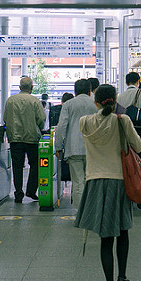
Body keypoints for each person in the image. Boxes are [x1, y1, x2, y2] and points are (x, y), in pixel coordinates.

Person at [75, 84, 141, 281]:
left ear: (96, 102)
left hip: (95, 182)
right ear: (115, 100)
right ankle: (123, 278)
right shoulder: (122, 121)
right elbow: (139, 147)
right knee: (122, 232)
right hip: (119, 182)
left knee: (106, 238)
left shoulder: (84, 122)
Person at [3, 76, 46, 203]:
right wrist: (39, 128)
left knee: (17, 166)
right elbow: (41, 119)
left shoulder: (10, 101)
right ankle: (31, 190)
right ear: (31, 88)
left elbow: (5, 118)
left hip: (15, 139)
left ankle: (18, 193)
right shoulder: (34, 101)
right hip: (32, 138)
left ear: (20, 88)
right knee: (35, 165)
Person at [54, 79, 94, 208]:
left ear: (75, 91)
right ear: (89, 91)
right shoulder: (95, 104)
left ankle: (79, 212)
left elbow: (61, 127)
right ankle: (90, 210)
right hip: (93, 148)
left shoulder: (68, 104)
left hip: (73, 148)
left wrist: (58, 146)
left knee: (77, 182)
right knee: (90, 181)